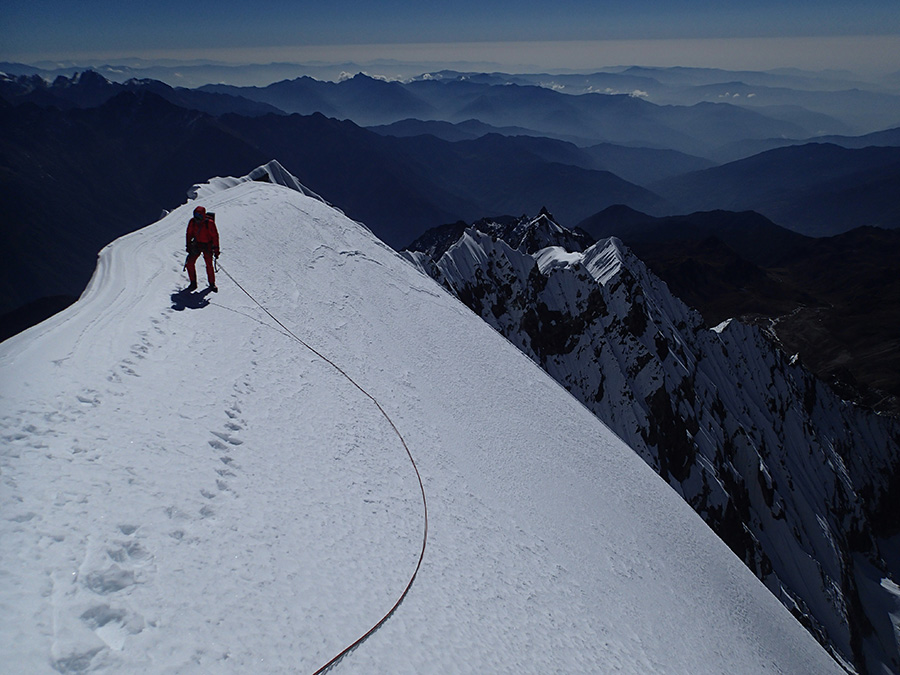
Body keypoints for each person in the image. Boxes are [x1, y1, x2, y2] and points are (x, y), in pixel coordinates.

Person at [185, 205, 219, 292]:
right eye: (196, 215)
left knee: (209, 265)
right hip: (197, 244)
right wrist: (188, 245)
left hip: (207, 245)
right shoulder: (193, 222)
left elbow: (215, 237)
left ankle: (211, 283)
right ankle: (193, 283)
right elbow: (188, 234)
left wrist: (216, 249)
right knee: (190, 264)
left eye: (199, 215)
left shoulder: (209, 223)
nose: (197, 217)